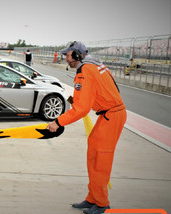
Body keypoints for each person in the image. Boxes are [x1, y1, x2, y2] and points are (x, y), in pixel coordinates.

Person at [47, 41, 127, 214]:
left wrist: (58, 122)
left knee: (100, 161)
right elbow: (91, 96)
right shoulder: (94, 65)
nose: (65, 58)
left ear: (76, 55)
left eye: (67, 55)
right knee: (93, 157)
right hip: (109, 114)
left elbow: (82, 109)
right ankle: (93, 198)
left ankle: (102, 204)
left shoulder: (85, 71)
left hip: (111, 116)